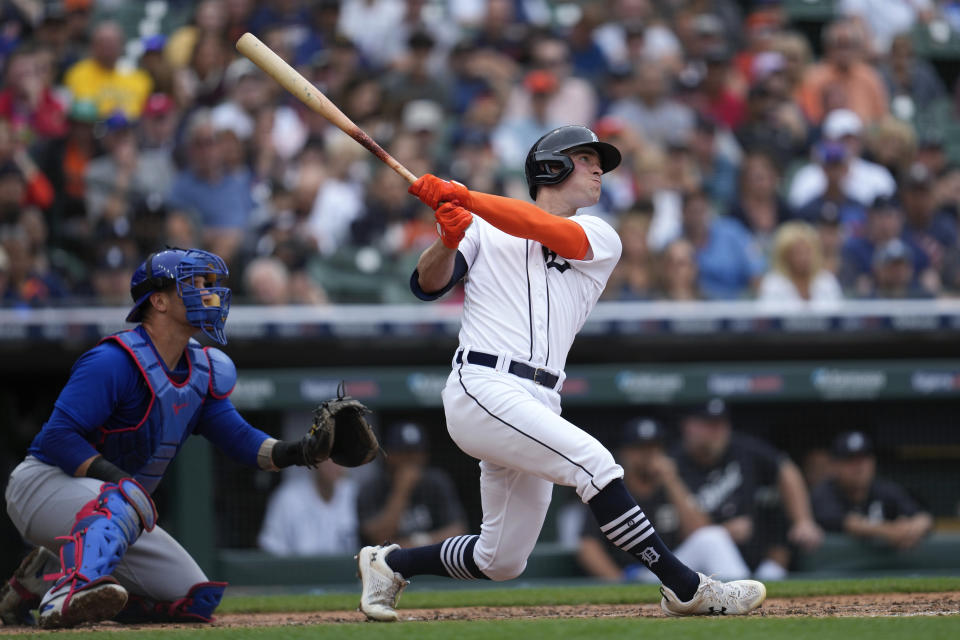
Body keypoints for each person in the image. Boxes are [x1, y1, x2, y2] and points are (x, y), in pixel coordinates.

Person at [355, 125, 767, 622]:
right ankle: (687, 587)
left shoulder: (600, 235)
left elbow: (544, 229)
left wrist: (465, 196)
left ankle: (389, 564)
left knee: (501, 560)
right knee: (595, 464)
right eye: (588, 158)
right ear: (551, 166)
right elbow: (426, 284)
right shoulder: (481, 226)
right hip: (482, 385)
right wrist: (447, 238)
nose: (599, 170)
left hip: (539, 397)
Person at [0, 248, 360, 628]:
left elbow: (239, 438)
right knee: (125, 500)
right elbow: (56, 437)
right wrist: (116, 477)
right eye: (195, 284)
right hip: (40, 486)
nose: (209, 294)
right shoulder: (113, 360)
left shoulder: (202, 368)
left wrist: (301, 452)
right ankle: (65, 594)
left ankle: (37, 580)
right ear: (158, 301)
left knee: (192, 597)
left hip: (115, 507)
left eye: (209, 285)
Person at [578, 418, 750, 582]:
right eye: (640, 448)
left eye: (654, 448)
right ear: (625, 453)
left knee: (712, 537)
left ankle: (740, 594)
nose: (648, 455)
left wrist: (672, 481)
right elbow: (588, 546)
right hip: (636, 576)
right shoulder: (611, 491)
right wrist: (620, 583)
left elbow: (700, 532)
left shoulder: (671, 486)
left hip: (672, 570)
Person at [672, 399, 823, 580]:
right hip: (687, 565)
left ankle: (746, 589)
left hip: (746, 563)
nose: (717, 432)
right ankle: (741, 593)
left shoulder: (742, 449)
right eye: (708, 425)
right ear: (688, 426)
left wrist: (803, 520)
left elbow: (784, 468)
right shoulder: (672, 463)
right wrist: (725, 531)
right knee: (712, 539)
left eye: (721, 424)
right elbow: (689, 534)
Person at [812, 431, 933, 550]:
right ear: (835, 466)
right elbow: (845, 523)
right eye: (850, 460)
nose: (859, 466)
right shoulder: (823, 493)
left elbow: (923, 517)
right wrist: (889, 532)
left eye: (864, 458)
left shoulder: (885, 490)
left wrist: (912, 529)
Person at [356, 422, 467, 549]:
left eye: (416, 452)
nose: (411, 459)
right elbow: (378, 540)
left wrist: (416, 544)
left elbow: (458, 532)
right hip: (387, 566)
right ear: (389, 454)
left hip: (432, 562)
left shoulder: (436, 482)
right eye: (404, 452)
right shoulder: (371, 488)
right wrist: (401, 491)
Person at [258, 460, 359, 557]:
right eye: (327, 456)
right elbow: (270, 549)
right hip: (297, 572)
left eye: (339, 456)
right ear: (314, 458)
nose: (333, 463)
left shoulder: (354, 494)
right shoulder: (287, 497)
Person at [757, 221, 843, 305]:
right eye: (796, 253)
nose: (803, 257)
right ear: (784, 255)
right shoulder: (772, 283)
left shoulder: (827, 281)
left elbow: (838, 315)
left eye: (807, 252)